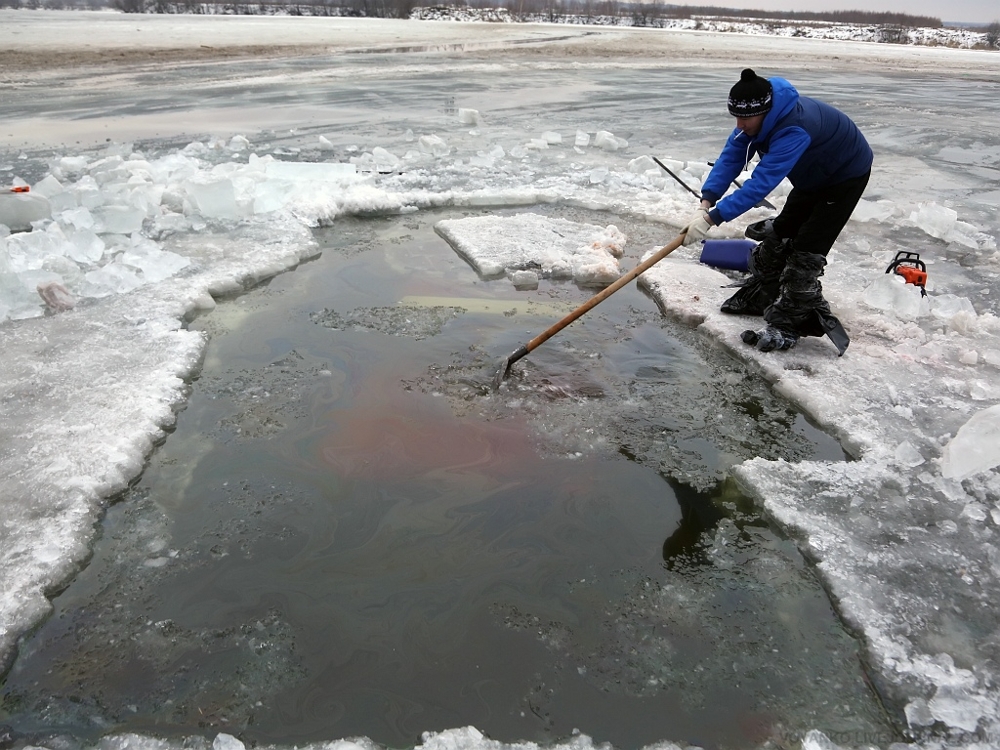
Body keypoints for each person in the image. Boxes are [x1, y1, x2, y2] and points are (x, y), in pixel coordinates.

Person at [682, 68, 873, 356]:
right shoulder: (756, 118)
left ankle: (788, 324)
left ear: (765, 112)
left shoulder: (793, 128)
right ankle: (765, 294)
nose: (739, 124)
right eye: (736, 117)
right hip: (812, 176)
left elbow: (760, 185)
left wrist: (712, 219)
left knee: (806, 253)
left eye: (744, 118)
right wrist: (705, 203)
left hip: (844, 176)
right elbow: (730, 158)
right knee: (779, 238)